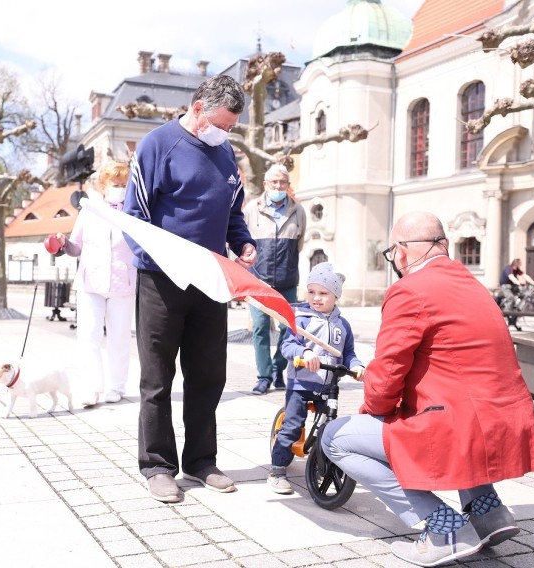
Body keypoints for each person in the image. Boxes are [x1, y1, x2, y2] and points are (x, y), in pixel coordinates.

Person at [321, 211, 534, 567]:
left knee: (336, 437)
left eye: (391, 253)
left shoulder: (409, 290)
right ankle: (489, 514)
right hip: (503, 418)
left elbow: (387, 373)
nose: (393, 261)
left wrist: (374, 414)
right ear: (444, 245)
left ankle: (443, 528)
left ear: (402, 252)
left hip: (457, 426)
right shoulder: (475, 286)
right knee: (452, 421)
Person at [123, 74, 257, 503]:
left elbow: (232, 211)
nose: (226, 133)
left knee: (208, 376)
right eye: (222, 124)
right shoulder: (157, 146)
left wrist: (243, 241)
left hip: (210, 279)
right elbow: (135, 218)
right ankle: (158, 466)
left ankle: (201, 461)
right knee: (158, 378)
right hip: (161, 281)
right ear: (197, 109)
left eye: (232, 127)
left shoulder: (225, 152)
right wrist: (166, 260)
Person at [268, 262, 364, 494]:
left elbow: (348, 353)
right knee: (292, 426)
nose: (316, 298)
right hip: (301, 383)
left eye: (323, 293)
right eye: (311, 291)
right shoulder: (301, 318)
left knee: (329, 427)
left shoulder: (343, 325)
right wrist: (304, 352)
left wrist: (356, 365)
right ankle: (277, 469)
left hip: (328, 385)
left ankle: (323, 461)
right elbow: (288, 345)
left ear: (336, 296)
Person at [54, 161, 136, 407]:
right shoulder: (89, 210)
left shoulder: (133, 211)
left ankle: (116, 387)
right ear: (103, 185)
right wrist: (62, 242)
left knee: (119, 339)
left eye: (124, 184)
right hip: (91, 283)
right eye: (116, 184)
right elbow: (76, 246)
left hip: (123, 284)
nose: (120, 188)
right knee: (88, 337)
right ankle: (92, 387)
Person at [244, 163, 307, 395]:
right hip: (258, 281)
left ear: (288, 185)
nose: (278, 186)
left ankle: (277, 369)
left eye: (282, 182)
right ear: (265, 184)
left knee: (288, 328)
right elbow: (244, 242)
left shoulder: (298, 211)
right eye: (274, 182)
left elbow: (299, 244)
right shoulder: (252, 209)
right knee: (260, 328)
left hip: (287, 281)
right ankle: (263, 376)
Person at [498, 258, 534, 331]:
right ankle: (506, 313)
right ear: (516, 263)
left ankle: (516, 310)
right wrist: (519, 283)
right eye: (519, 263)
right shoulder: (509, 268)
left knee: (523, 295)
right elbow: (511, 277)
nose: (520, 265)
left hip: (513, 286)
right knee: (511, 298)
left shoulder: (517, 270)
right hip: (505, 286)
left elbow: (525, 276)